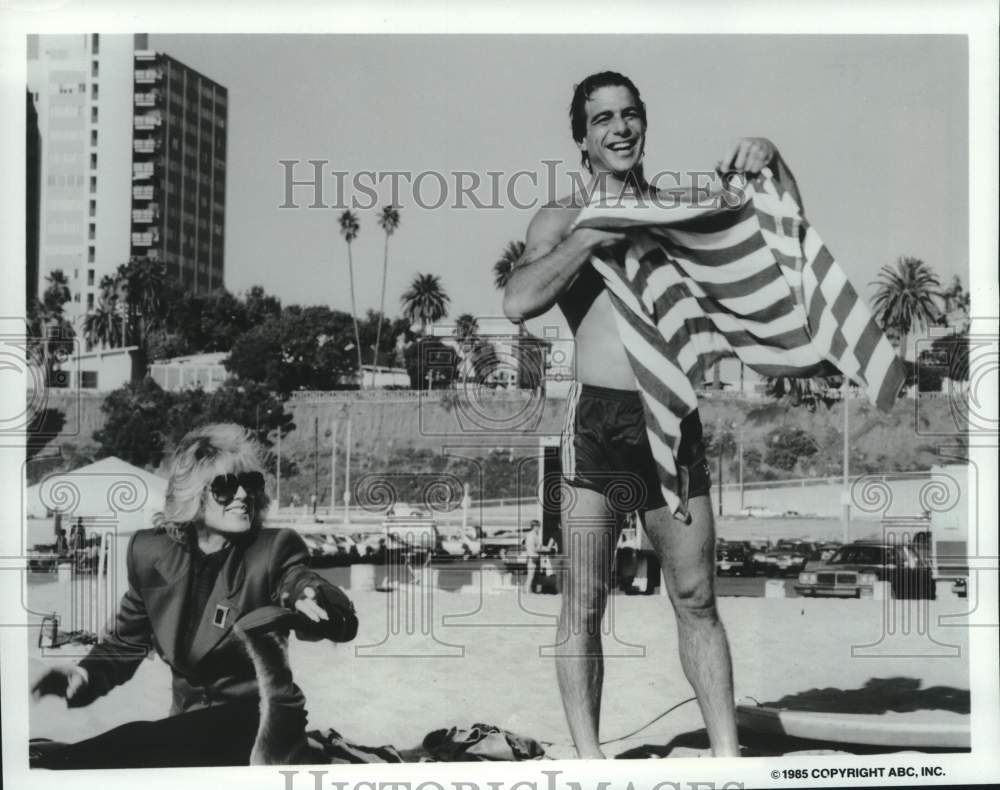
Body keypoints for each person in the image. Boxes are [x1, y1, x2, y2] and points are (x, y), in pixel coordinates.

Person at [503, 71, 801, 758]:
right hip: (600, 422)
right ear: (582, 137)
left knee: (696, 597)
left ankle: (728, 759)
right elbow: (519, 300)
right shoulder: (560, 217)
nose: (619, 128)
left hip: (672, 419)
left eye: (630, 114)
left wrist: (773, 162)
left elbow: (781, 244)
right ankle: (589, 762)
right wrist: (592, 235)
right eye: (602, 118)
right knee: (583, 605)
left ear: (645, 123)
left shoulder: (675, 212)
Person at [30, 423, 359, 768]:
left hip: (259, 725)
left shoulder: (273, 549)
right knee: (146, 743)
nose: (243, 495)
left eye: (250, 484)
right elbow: (124, 645)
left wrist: (317, 599)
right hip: (184, 730)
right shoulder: (150, 552)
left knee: (137, 741)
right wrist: (82, 676)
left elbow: (299, 581)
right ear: (193, 494)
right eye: (225, 487)